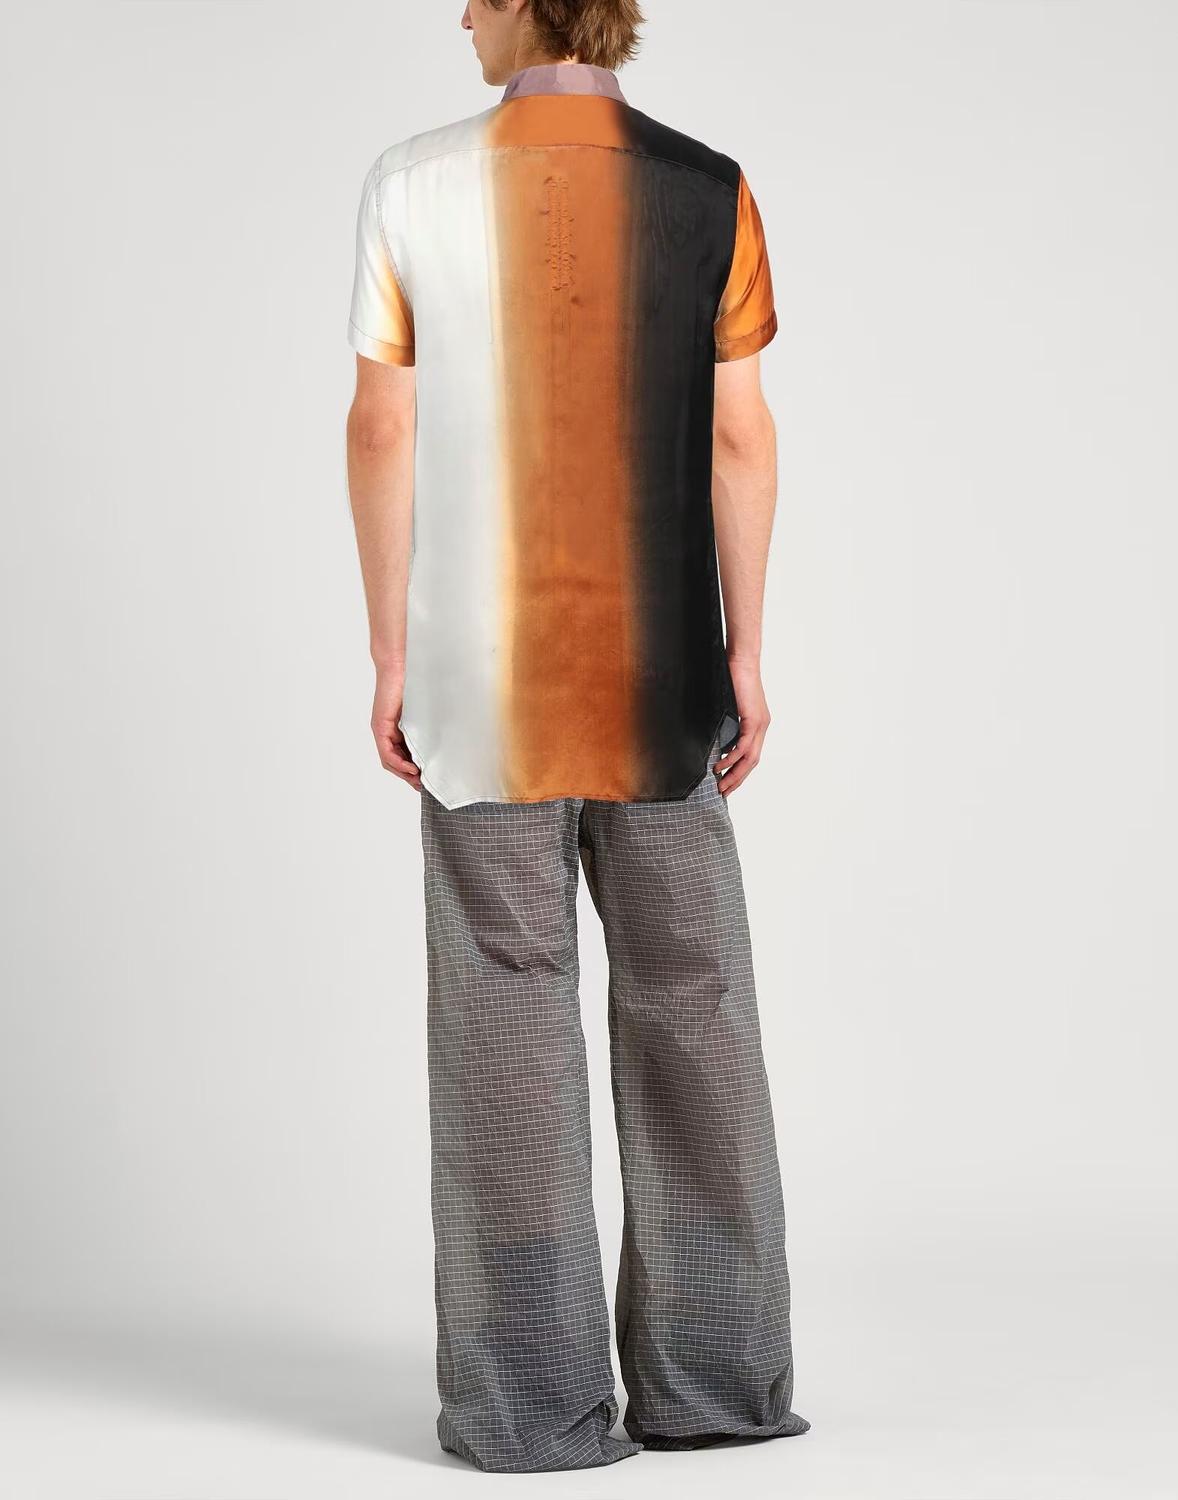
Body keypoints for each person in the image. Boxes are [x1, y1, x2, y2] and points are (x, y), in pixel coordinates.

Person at [344, 0, 810, 1474]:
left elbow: (382, 426)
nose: (460, 16)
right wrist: (744, 649)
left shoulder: (412, 182)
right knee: (695, 1008)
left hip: (476, 689)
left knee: (503, 1028)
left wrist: (389, 649)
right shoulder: (708, 187)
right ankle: (713, 1385)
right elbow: (738, 433)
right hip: (663, 676)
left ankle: (529, 1407)